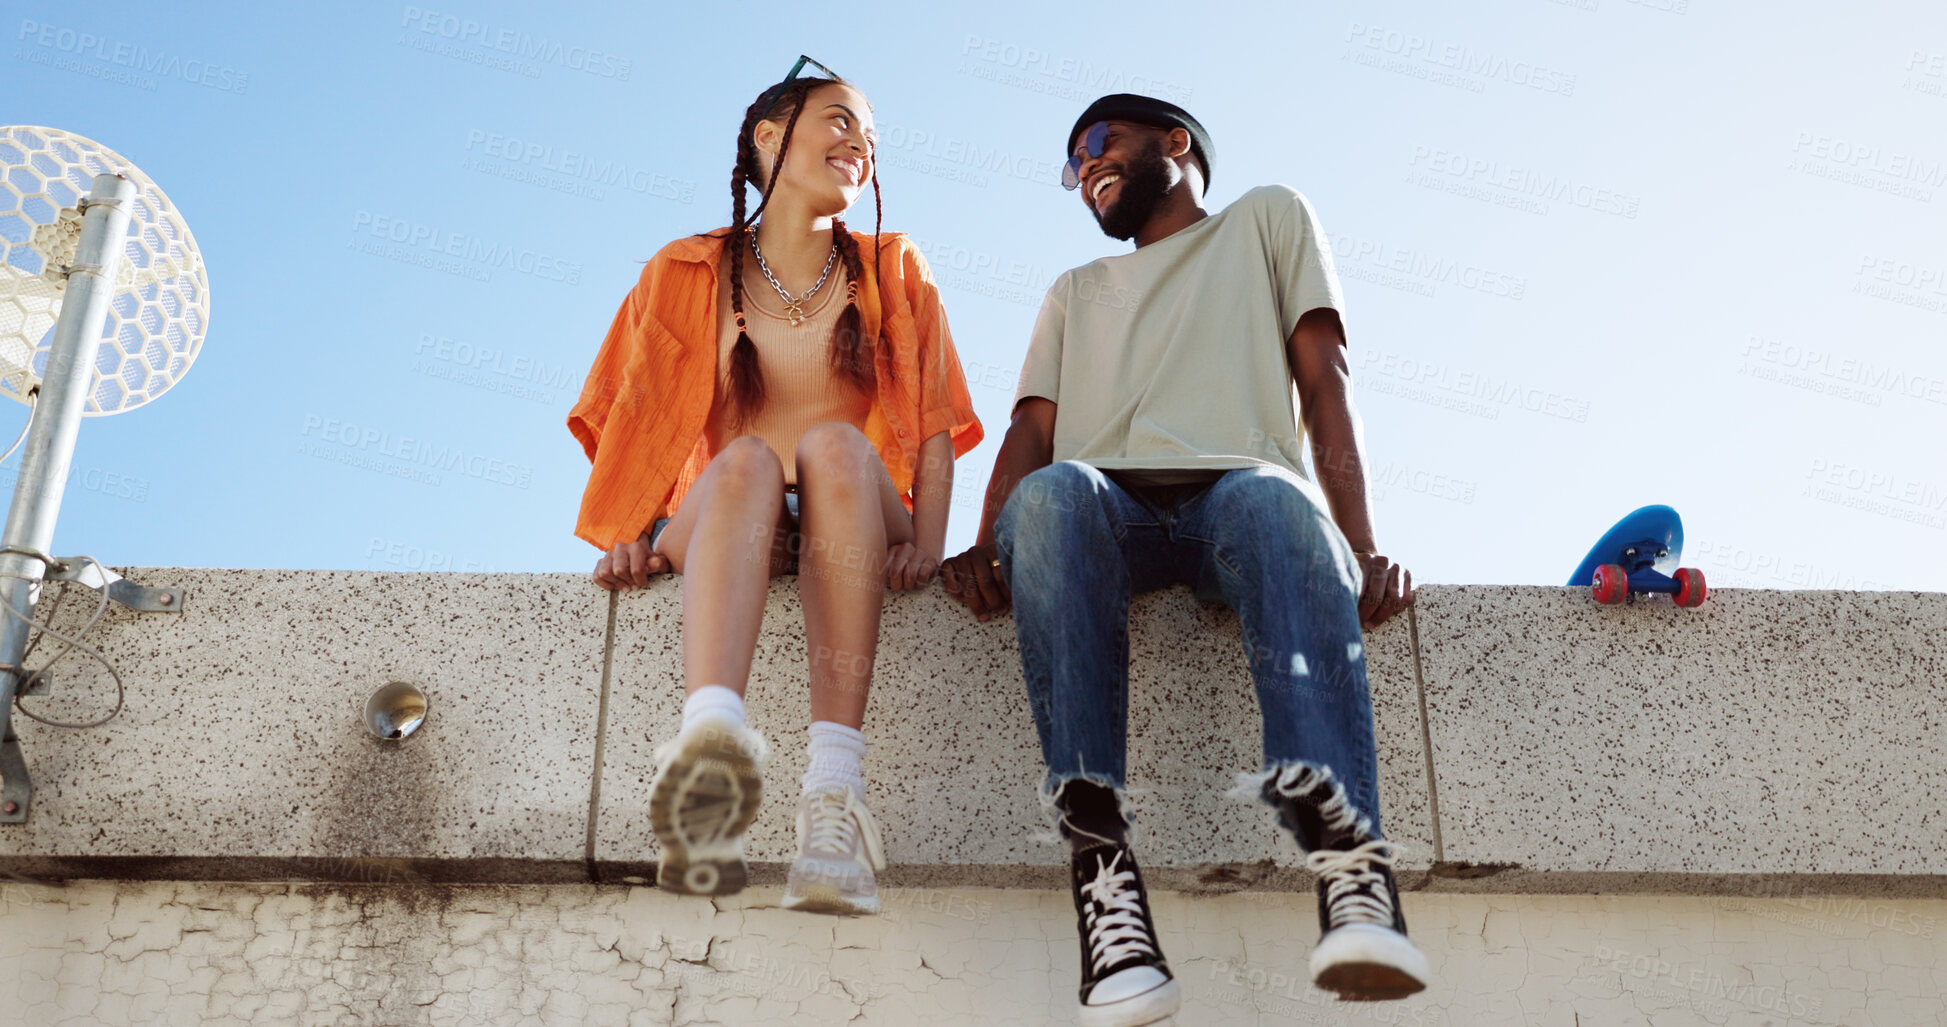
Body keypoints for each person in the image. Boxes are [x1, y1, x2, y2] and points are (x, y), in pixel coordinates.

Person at [940, 94, 1427, 1024]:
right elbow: (1030, 432)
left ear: (1176, 143)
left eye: (1096, 142)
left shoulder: (1265, 218)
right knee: (1053, 493)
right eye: (1071, 163)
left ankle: (1349, 866)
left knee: (1277, 503)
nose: (1084, 166)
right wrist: (978, 541)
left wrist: (1359, 547)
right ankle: (1105, 880)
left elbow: (1325, 382)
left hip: (1234, 498)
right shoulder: (1073, 289)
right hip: (1101, 511)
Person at [569, 56, 983, 916]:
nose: (858, 146)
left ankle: (834, 798)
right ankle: (708, 749)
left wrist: (926, 546)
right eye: (839, 121)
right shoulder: (684, 270)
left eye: (869, 139)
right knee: (751, 458)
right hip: (729, 513)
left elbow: (937, 425)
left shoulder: (891, 267)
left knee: (831, 444)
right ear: (769, 136)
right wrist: (631, 531)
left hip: (854, 513)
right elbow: (628, 417)